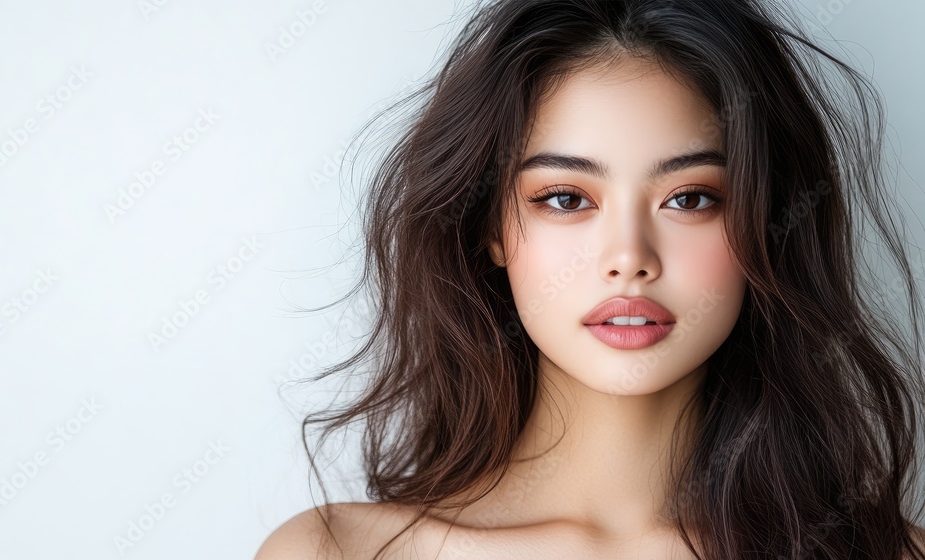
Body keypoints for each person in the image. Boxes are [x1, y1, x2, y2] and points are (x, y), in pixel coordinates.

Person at [257, 0, 925, 557]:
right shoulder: (339, 552)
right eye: (566, 199)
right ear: (489, 228)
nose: (628, 257)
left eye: (690, 198)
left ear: (766, 225)